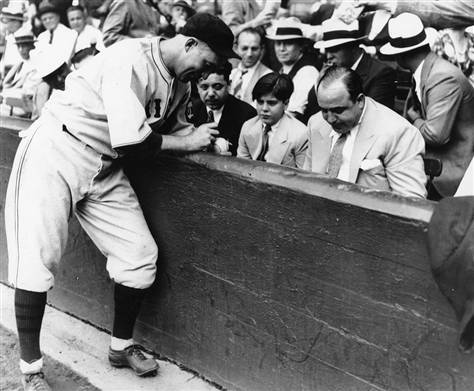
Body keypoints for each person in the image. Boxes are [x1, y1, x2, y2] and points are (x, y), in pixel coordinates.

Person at [5, 13, 239, 391]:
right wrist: (187, 142)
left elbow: (168, 128)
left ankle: (120, 346)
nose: (207, 71)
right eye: (208, 62)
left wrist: (206, 137)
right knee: (37, 260)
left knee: (139, 255)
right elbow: (132, 141)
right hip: (57, 149)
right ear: (190, 43)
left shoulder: (179, 81)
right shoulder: (130, 56)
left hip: (102, 165)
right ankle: (31, 370)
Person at [380, 13, 474, 199]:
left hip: (453, 176)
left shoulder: (441, 77)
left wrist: (415, 119)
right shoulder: (427, 72)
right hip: (437, 168)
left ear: (401, 54)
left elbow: (436, 135)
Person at [304, 66, 426, 199]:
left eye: (338, 110)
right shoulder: (316, 124)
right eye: (324, 110)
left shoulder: (398, 132)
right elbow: (305, 182)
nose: (330, 119)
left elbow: (412, 202)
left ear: (360, 101)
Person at [306, 17, 396, 120]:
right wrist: (320, 82)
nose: (329, 56)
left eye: (334, 49)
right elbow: (312, 108)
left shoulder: (381, 73)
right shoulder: (332, 71)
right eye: (327, 50)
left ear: (353, 48)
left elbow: (373, 118)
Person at [237, 72, 308, 168]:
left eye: (271, 103)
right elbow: (241, 168)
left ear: (286, 103)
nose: (264, 108)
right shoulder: (248, 127)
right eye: (260, 102)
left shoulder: (301, 134)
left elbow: (303, 178)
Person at [189, 61, 257, 156]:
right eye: (204, 87)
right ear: (197, 87)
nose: (211, 93)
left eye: (217, 87)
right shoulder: (190, 110)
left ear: (229, 85)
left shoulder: (247, 114)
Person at [266, 19, 319, 122]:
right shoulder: (281, 70)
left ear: (300, 46)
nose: (282, 49)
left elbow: (293, 114)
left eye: (288, 43)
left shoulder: (307, 72)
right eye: (278, 43)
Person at [1, 28, 40, 116]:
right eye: (19, 46)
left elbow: (28, 93)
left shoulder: (36, 66)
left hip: (23, 108)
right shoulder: (20, 64)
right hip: (9, 104)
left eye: (24, 46)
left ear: (32, 46)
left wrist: (3, 96)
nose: (21, 50)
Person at [229, 27, 272, 107]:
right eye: (244, 48)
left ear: (262, 49)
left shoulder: (268, 77)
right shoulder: (232, 73)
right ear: (236, 49)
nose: (249, 54)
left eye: (254, 49)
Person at [0, 5, 25, 78]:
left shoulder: (23, 36)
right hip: (6, 74)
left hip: (17, 76)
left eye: (7, 22)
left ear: (16, 22)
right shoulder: (10, 37)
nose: (6, 25)